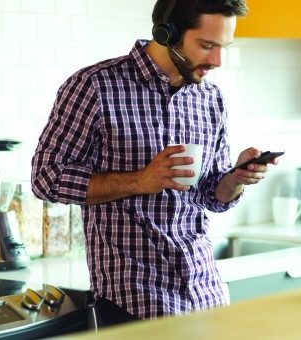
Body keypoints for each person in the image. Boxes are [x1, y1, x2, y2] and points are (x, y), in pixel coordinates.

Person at [31, 0, 278, 324]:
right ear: (168, 32)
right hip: (133, 301)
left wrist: (235, 178)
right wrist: (139, 180)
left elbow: (209, 195)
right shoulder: (95, 86)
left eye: (223, 47)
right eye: (206, 45)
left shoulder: (210, 98)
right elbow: (46, 178)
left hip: (205, 294)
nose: (217, 60)